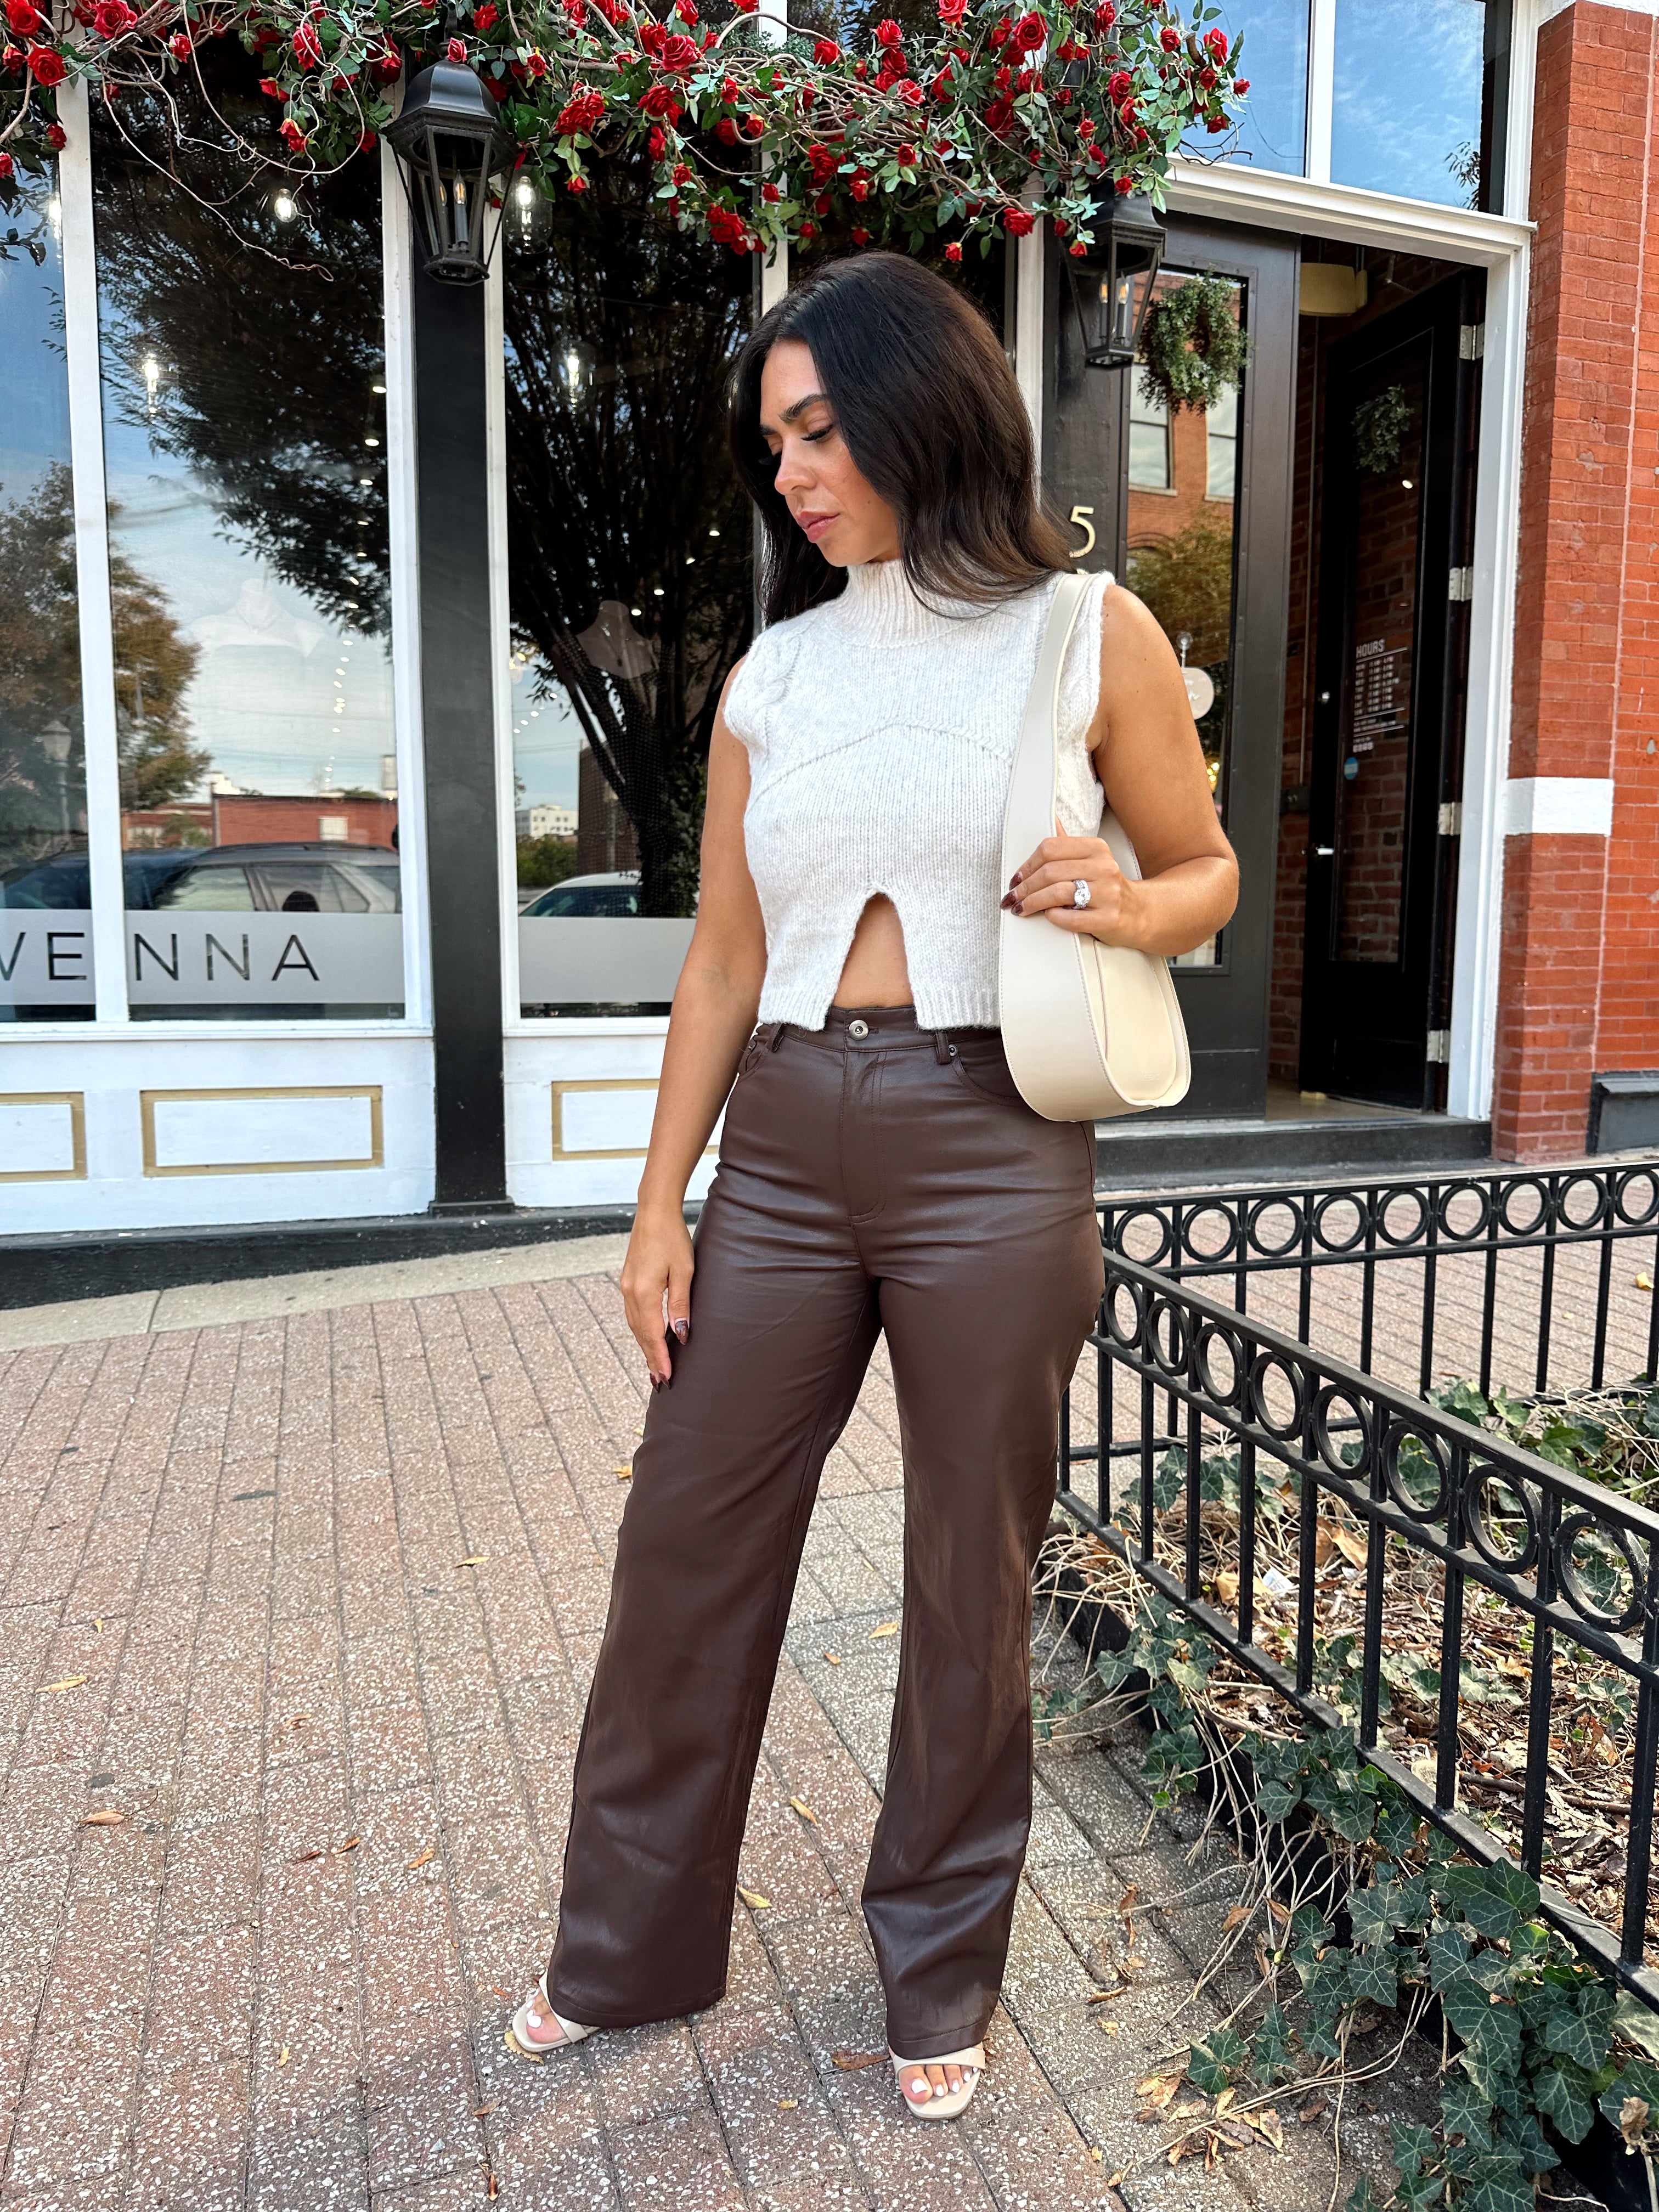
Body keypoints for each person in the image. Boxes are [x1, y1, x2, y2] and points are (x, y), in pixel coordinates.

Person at [511, 251, 1237, 2120]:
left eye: (823, 428)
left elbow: (1206, 872)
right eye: (775, 443)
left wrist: (1120, 896)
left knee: (961, 1583)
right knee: (685, 1546)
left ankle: (939, 1972)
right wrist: (658, 1204)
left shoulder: (1090, 635)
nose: (795, 472)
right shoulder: (775, 673)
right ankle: (623, 1948)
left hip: (992, 1144)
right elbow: (724, 964)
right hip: (784, 1143)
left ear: (928, 405)